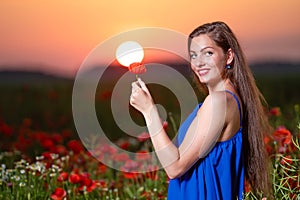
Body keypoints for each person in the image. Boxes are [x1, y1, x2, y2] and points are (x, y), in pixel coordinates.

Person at [130, 21, 271, 199]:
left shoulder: (218, 102)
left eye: (208, 53)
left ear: (228, 57)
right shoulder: (228, 99)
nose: (199, 63)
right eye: (193, 55)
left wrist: (149, 111)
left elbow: (175, 167)